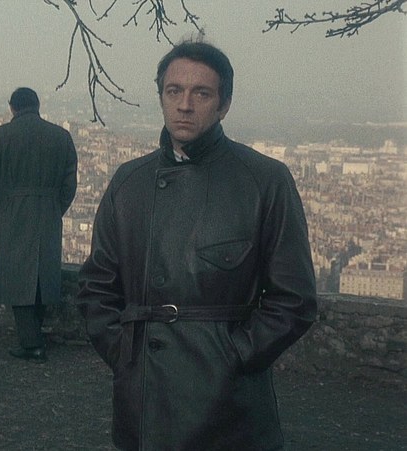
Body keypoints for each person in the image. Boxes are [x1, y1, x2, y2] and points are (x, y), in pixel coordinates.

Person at [76, 41, 318, 450]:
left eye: (201, 93)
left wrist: (233, 357)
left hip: (229, 405)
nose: (184, 105)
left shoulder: (265, 180)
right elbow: (96, 286)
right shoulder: (129, 182)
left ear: (224, 105)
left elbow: (294, 300)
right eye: (174, 91)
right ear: (161, 97)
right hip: (146, 396)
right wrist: (126, 356)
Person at [0, 87, 78, 362]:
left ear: (12, 107)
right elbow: (69, 184)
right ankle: (33, 336)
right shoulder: (61, 136)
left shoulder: (0, 136)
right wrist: (55, 209)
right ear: (37, 105)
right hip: (48, 213)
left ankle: (32, 343)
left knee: (17, 277)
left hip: (10, 213)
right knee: (41, 276)